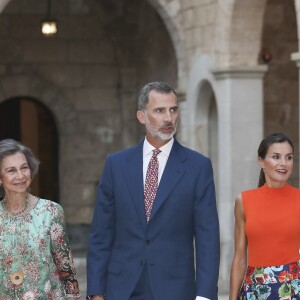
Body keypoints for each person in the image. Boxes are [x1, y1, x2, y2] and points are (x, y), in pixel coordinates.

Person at [86, 81, 220, 300]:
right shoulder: (116, 165)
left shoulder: (198, 167)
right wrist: (96, 292)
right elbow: (101, 234)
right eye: (159, 110)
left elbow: (208, 237)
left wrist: (204, 295)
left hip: (175, 290)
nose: (168, 118)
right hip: (121, 289)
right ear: (142, 116)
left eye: (173, 110)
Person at [0, 139, 80, 299]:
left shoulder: (51, 211)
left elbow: (67, 271)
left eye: (24, 168)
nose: (20, 176)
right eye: (11, 170)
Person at [229, 133, 300, 300]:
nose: (283, 163)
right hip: (255, 291)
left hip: (294, 289)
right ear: (261, 161)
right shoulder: (244, 200)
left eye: (288, 158)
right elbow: (239, 257)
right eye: (276, 157)